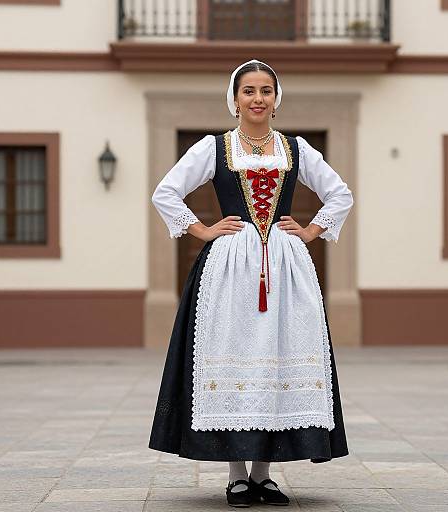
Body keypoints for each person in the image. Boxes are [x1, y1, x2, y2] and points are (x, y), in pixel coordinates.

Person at [148, 59, 354, 508]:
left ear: (276, 100)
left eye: (266, 90)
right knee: (236, 352)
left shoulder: (297, 150)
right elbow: (166, 191)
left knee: (275, 355)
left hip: (285, 264)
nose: (258, 98)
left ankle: (264, 474)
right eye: (249, 91)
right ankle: (237, 475)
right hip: (230, 264)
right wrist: (201, 230)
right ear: (235, 99)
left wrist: (312, 231)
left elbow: (340, 193)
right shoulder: (213, 147)